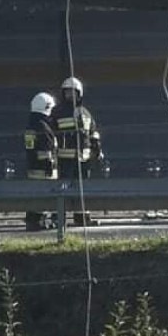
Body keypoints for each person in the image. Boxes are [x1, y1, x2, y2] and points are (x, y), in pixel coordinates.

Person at [51, 76, 103, 226]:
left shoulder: (86, 113)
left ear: (79, 94)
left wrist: (97, 149)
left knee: (83, 188)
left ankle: (82, 218)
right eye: (67, 92)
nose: (69, 95)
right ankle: (58, 219)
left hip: (83, 159)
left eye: (73, 92)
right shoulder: (57, 112)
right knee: (63, 189)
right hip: (64, 158)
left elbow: (93, 132)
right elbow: (51, 134)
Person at [23, 91, 57, 232]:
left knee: (35, 196)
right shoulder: (42, 126)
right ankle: (37, 222)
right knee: (42, 197)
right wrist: (48, 162)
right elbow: (44, 147)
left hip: (34, 167)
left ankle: (34, 221)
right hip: (43, 169)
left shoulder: (32, 124)